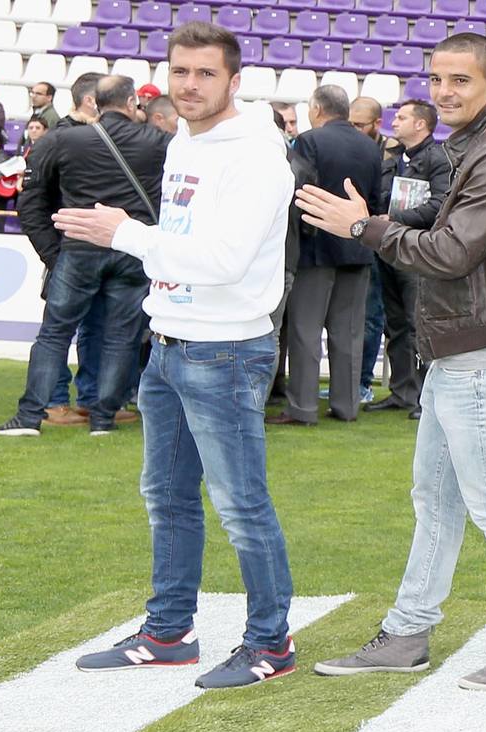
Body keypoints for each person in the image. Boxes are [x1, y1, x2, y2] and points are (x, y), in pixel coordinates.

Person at [291, 32, 486, 690]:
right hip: (466, 351)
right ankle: (408, 632)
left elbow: (450, 254)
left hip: (484, 353)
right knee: (438, 501)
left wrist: (364, 227)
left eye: (462, 81)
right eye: (439, 79)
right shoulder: (475, 147)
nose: (446, 91)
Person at [59, 22, 302, 688]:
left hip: (224, 349)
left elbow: (224, 261)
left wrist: (126, 234)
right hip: (166, 341)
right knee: (166, 498)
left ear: (234, 80)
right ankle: (169, 631)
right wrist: (142, 243)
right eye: (180, 72)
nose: (189, 85)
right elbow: (183, 237)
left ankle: (270, 643)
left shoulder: (254, 155)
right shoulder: (185, 143)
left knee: (240, 504)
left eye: (204, 73)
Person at [1, 75, 166, 438]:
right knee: (121, 336)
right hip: (130, 249)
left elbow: (30, 200)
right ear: (130, 103)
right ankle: (103, 417)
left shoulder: (63, 139)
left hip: (78, 248)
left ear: (94, 103)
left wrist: (53, 254)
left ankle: (30, 416)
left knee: (54, 334)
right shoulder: (159, 142)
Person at [268, 85, 382, 427]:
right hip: (358, 245)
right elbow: (375, 198)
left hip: (315, 249)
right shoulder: (370, 145)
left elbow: (301, 190)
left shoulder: (309, 141)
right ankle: (346, 405)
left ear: (317, 109)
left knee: (305, 330)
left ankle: (302, 407)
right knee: (348, 332)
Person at [363, 99, 453, 419]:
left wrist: (395, 217)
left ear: (421, 124)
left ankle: (424, 397)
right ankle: (402, 391)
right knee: (396, 324)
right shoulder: (393, 157)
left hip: (417, 248)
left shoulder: (439, 159)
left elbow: (440, 205)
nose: (394, 122)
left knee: (417, 326)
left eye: (402, 117)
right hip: (390, 248)